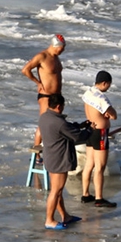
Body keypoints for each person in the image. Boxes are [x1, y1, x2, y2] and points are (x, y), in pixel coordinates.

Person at [38, 94, 92, 230]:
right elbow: (78, 137)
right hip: (59, 159)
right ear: (59, 106)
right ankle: (49, 220)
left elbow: (64, 129)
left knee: (58, 191)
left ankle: (65, 216)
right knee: (56, 191)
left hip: (50, 157)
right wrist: (90, 130)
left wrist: (78, 125)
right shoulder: (59, 122)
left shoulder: (44, 117)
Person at [80, 71, 118, 208]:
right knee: (100, 167)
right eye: (108, 85)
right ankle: (99, 198)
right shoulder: (102, 98)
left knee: (89, 164)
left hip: (90, 130)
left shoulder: (88, 92)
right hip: (101, 133)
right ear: (104, 83)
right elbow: (114, 115)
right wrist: (108, 115)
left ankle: (85, 194)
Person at [22, 34, 65, 147]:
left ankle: (51, 150)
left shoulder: (56, 57)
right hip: (46, 95)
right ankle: (37, 155)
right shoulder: (42, 56)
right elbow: (25, 70)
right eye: (61, 49)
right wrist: (38, 82)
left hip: (57, 96)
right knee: (44, 124)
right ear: (54, 46)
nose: (62, 51)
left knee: (56, 124)